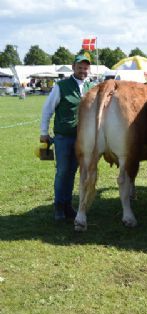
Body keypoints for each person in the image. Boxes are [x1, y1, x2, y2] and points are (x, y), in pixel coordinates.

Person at [40, 54, 93, 222]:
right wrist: (43, 132)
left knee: (72, 172)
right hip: (63, 137)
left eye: (85, 68)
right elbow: (47, 110)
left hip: (82, 139)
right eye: (80, 67)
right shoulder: (61, 86)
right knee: (62, 172)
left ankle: (68, 205)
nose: (83, 70)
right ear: (73, 67)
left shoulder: (92, 87)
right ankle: (58, 206)